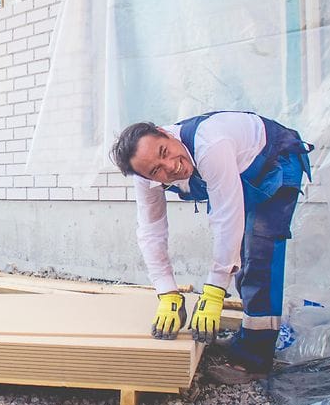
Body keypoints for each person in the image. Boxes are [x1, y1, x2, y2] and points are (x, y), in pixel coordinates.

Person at [110, 111, 312, 383]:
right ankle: (247, 338)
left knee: (259, 255)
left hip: (276, 161)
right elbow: (151, 231)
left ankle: (254, 361)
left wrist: (215, 291)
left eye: (164, 152)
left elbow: (226, 220)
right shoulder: (144, 176)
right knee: (242, 255)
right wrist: (166, 292)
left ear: (166, 133)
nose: (170, 167)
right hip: (241, 172)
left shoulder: (210, 144)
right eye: (156, 170)